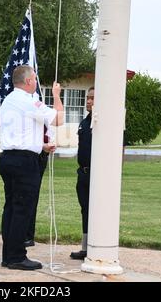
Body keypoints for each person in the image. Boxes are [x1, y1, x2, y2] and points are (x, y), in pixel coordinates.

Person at [0, 65, 64, 270]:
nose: (36, 83)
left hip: (8, 157)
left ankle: (8, 255)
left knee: (10, 207)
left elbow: (22, 131)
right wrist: (56, 95)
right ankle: (17, 256)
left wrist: (40, 145)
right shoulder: (28, 101)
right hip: (23, 162)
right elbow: (58, 119)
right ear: (28, 82)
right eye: (34, 79)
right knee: (23, 209)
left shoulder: (8, 99)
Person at [70, 87, 94, 260]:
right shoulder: (85, 122)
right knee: (85, 210)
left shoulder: (105, 123)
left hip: (97, 175)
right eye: (88, 98)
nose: (88, 101)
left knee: (96, 211)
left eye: (92, 98)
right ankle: (85, 247)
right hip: (83, 173)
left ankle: (97, 246)